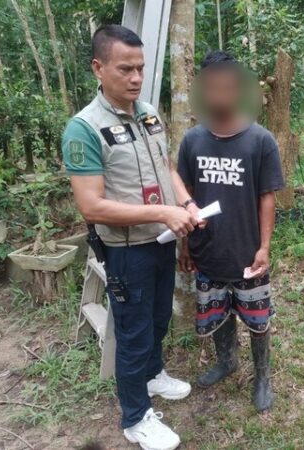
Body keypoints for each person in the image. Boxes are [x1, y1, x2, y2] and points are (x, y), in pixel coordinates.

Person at [62, 25, 203, 450]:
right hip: (126, 251)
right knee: (134, 332)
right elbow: (92, 206)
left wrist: (186, 203)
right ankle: (135, 417)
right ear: (98, 68)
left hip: (162, 240)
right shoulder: (84, 129)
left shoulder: (148, 113)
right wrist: (163, 212)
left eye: (140, 68)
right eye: (125, 69)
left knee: (159, 318)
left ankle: (153, 375)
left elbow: (167, 168)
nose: (136, 77)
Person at [176, 50, 285, 412]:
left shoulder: (260, 140)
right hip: (208, 249)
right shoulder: (192, 141)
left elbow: (267, 197)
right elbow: (187, 194)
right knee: (218, 309)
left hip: (247, 252)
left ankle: (263, 376)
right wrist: (186, 244)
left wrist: (264, 246)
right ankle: (227, 360)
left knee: (257, 318)